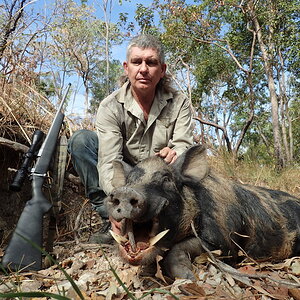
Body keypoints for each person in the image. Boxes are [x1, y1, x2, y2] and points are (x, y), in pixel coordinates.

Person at [68, 34, 194, 243]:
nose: (143, 69)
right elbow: (109, 161)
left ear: (162, 70)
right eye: (137, 62)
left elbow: (184, 145)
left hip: (157, 180)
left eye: (151, 62)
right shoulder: (110, 106)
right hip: (124, 176)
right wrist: (119, 200)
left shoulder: (179, 103)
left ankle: (165, 220)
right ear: (127, 68)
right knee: (82, 141)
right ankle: (111, 217)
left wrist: (176, 153)